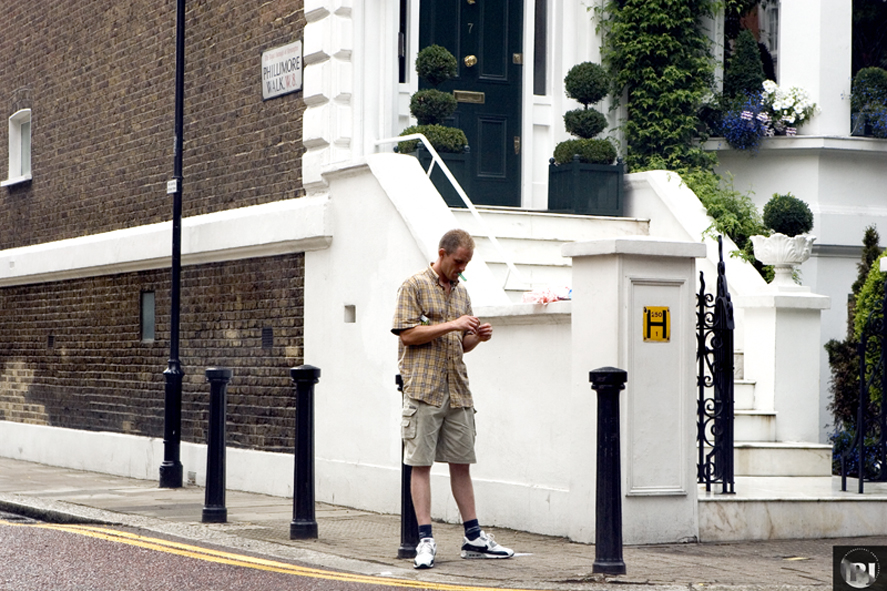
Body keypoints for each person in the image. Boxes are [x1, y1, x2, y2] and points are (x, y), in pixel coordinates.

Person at [391, 228, 514, 569]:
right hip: (424, 390)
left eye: (466, 263)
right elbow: (408, 335)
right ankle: (426, 540)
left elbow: (460, 344)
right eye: (459, 261)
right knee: (421, 464)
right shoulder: (413, 285)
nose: (462, 268)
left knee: (462, 463)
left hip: (457, 391)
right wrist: (451, 324)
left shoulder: (462, 293)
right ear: (442, 253)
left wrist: (477, 337)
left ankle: (473, 538)